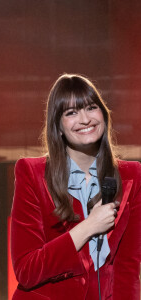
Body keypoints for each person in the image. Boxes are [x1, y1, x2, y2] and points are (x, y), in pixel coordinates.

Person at [11, 74, 141, 300]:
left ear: (103, 114)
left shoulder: (132, 175)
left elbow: (127, 266)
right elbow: (26, 271)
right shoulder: (32, 174)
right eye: (71, 113)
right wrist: (89, 226)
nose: (85, 119)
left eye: (91, 108)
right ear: (58, 126)